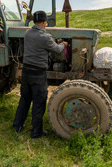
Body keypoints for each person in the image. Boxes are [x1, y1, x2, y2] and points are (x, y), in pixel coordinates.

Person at [13, 10, 68, 138]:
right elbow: (57, 50)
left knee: (25, 99)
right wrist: (64, 44)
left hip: (26, 71)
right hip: (38, 73)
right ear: (44, 22)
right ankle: (36, 132)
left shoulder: (27, 33)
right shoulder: (45, 37)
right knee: (39, 102)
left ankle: (17, 125)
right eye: (46, 22)